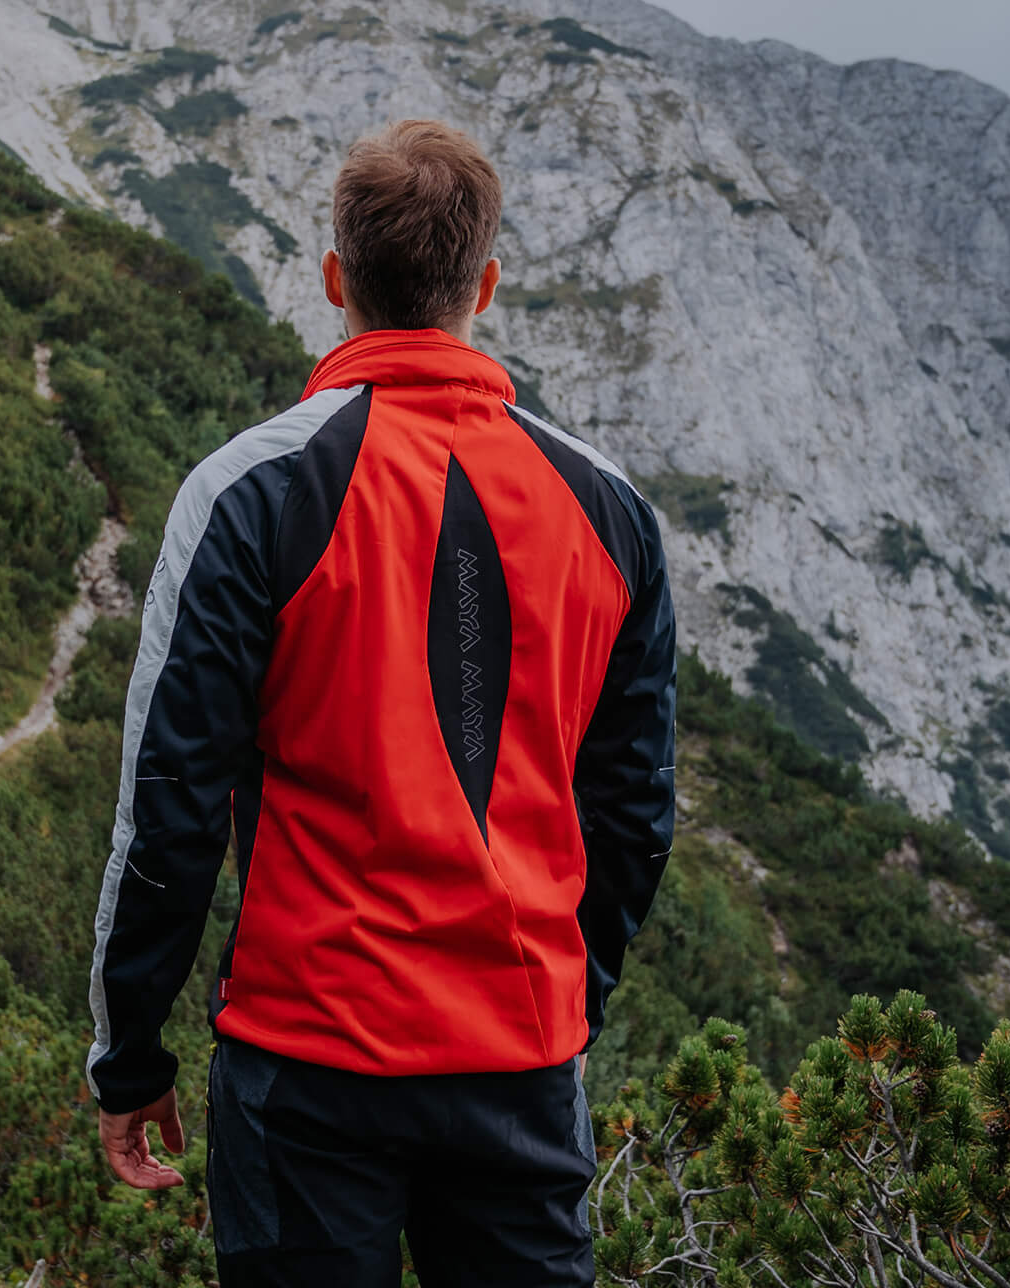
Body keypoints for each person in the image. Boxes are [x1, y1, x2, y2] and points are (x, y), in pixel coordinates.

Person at [85, 119, 678, 1287]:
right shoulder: (610, 512)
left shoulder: (249, 490)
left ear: (334, 279)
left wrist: (129, 1050)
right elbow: (633, 814)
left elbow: (169, 805)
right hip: (518, 1060)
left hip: (305, 1062)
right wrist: (564, 1000)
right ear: (486, 285)